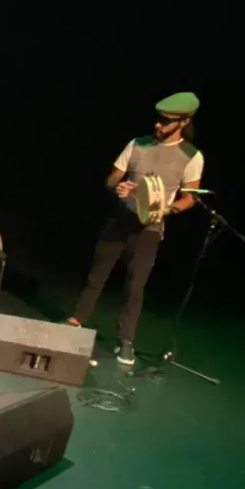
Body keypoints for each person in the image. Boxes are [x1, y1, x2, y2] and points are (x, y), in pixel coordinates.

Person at [68, 92, 203, 365]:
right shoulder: (137, 144)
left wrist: (165, 210)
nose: (158, 125)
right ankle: (76, 320)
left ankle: (126, 341)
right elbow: (112, 179)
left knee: (135, 286)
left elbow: (190, 198)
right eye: (159, 119)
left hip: (149, 229)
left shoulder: (191, 155)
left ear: (184, 122)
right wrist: (118, 186)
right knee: (97, 275)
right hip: (120, 220)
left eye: (166, 121)